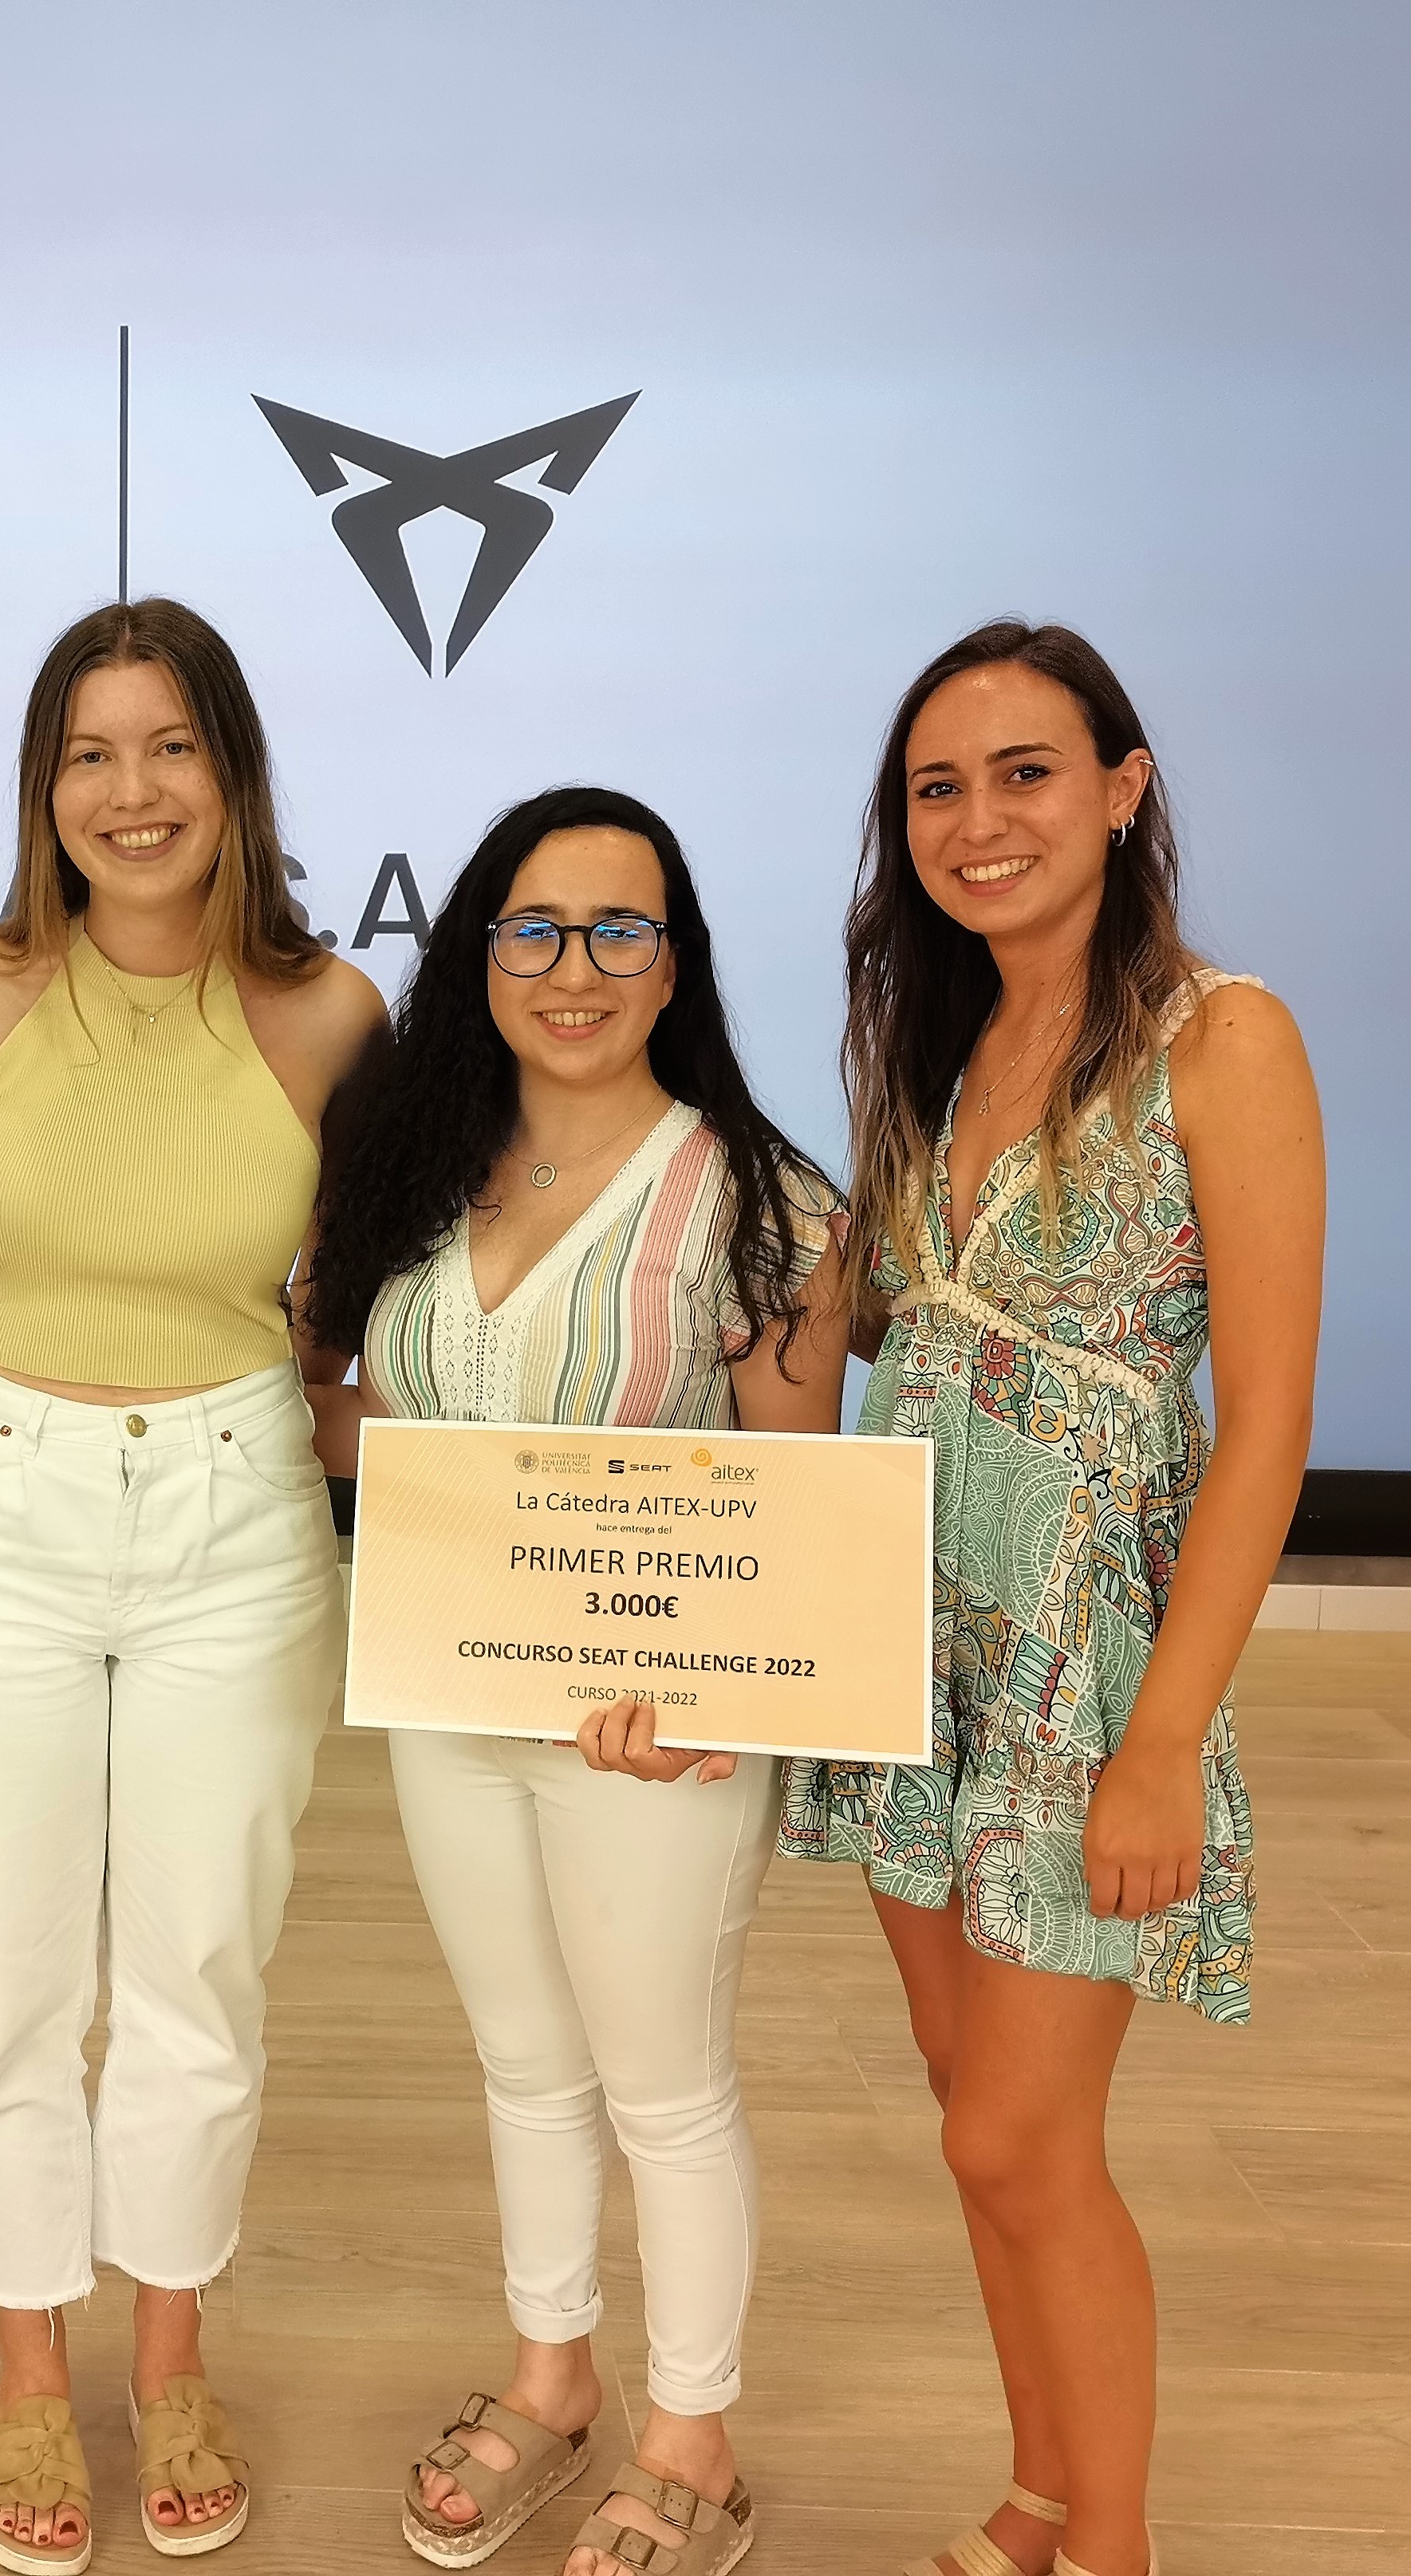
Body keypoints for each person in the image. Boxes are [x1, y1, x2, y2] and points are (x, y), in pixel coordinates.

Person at [777, 622, 1324, 2576]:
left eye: (1025, 771)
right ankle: (1040, 2491)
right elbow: (866, 1326)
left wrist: (1162, 1739)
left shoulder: (1222, 1038)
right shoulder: (936, 1043)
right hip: (911, 1632)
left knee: (1022, 2132)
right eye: (938, 787)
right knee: (968, 2105)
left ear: (1122, 784)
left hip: (1085, 1655)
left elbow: (1267, 1425)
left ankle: (1115, 2544)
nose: (979, 820)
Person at [0, 599, 386, 2570]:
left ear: (231, 770)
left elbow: (358, 1299)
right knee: (5, 1970)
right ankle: (27, 2367)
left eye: (170, 745)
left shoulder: (330, 1014)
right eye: (89, 753)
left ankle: (172, 2353)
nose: (132, 790)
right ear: (43, 786)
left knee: (199, 1966)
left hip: (237, 1519)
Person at [302, 787, 848, 2576]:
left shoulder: (765, 1207)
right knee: (525, 2062)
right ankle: (554, 2380)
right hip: (450, 1704)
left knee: (661, 2079)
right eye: (534, 928)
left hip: (649, 1740)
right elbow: (361, 1423)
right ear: (482, 954)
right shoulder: (405, 1170)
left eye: (623, 929)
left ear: (675, 963)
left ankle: (695, 2438)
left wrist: (714, 1698)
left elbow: (789, 1504)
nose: (576, 967)